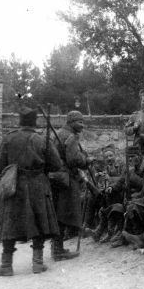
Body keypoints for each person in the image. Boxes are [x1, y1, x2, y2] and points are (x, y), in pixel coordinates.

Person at [0, 106, 63, 276]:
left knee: (10, 223)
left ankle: (6, 265)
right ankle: (37, 263)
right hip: (38, 185)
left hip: (15, 186)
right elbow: (56, 165)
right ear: (35, 121)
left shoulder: (8, 139)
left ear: (19, 121)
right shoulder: (41, 140)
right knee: (39, 221)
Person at [51, 110, 94, 260]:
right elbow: (74, 160)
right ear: (71, 122)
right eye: (79, 122)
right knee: (64, 213)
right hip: (67, 179)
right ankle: (58, 250)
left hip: (55, 178)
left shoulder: (58, 134)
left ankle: (56, 247)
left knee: (57, 212)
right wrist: (86, 160)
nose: (82, 125)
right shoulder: (71, 136)